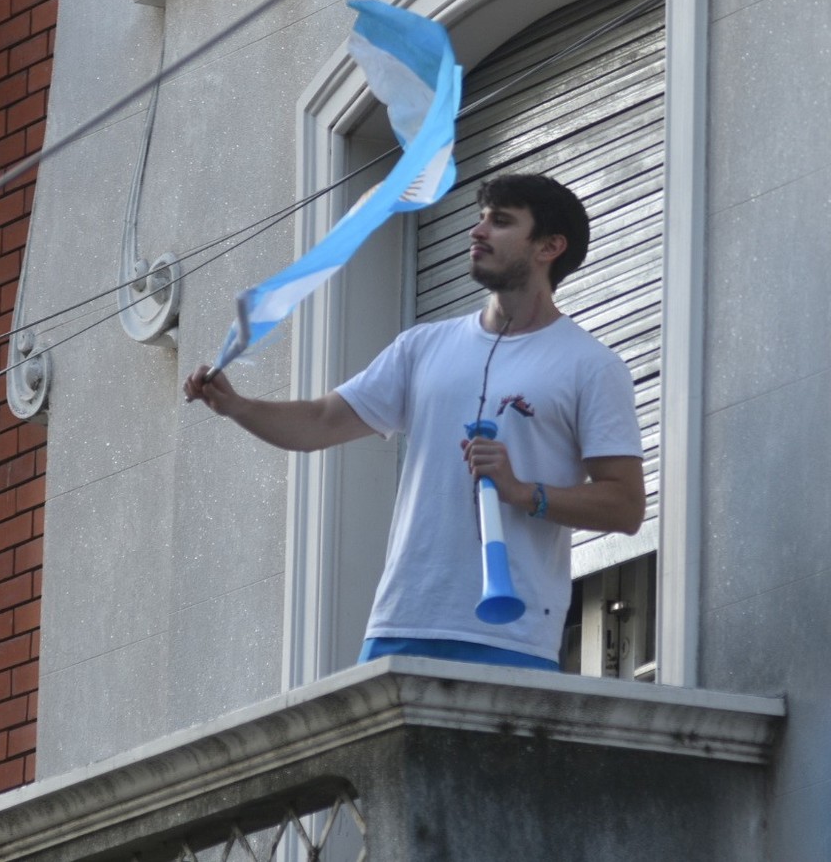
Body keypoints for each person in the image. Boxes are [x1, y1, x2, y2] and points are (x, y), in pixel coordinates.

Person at [183, 173, 646, 672]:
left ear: (550, 247)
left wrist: (522, 491)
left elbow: (625, 506)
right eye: (481, 217)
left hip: (514, 635)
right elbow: (319, 422)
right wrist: (238, 406)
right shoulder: (422, 347)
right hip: (402, 624)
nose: (477, 231)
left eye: (501, 221)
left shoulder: (591, 366)